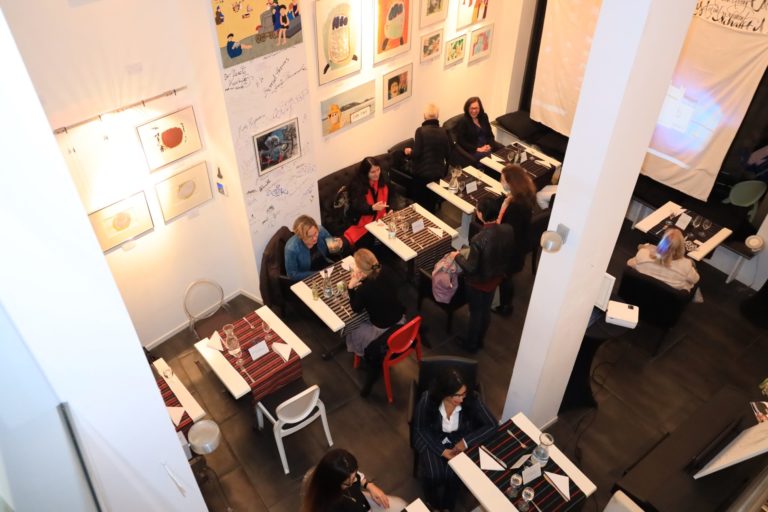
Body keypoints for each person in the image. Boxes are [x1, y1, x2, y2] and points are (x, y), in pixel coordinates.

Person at [413, 368, 496, 511]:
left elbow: (492, 424)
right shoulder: (428, 399)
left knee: (455, 473)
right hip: (433, 436)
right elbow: (420, 428)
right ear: (444, 393)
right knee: (434, 474)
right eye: (457, 395)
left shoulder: (472, 398)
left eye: (464, 394)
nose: (462, 399)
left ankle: (448, 506)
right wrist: (442, 450)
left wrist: (465, 442)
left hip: (459, 437)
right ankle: (432, 503)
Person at [453, 197, 515, 352]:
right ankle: (480, 339)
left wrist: (457, 256)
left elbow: (470, 268)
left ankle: (471, 344)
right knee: (485, 311)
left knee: (476, 313)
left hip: (478, 282)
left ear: (481, 214)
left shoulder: (478, 239)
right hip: (495, 278)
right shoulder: (508, 229)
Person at [346, 249, 405, 396]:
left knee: (351, 328)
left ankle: (360, 354)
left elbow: (356, 308)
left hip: (382, 331)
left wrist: (351, 287)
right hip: (400, 320)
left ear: (360, 269)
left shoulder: (364, 290)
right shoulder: (386, 270)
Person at [493, 164, 537, 316]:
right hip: (519, 245)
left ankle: (505, 307)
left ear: (511, 182)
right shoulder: (525, 197)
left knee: (505, 279)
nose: (501, 182)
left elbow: (508, 230)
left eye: (502, 179)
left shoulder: (516, 207)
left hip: (511, 251)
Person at [302, 448, 406, 512]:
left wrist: (369, 485)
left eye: (354, 476)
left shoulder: (346, 476)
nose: (353, 482)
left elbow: (357, 477)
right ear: (333, 483)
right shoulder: (329, 507)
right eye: (347, 483)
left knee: (401, 505)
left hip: (361, 503)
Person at [404, 104, 452, 213]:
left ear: (424, 116)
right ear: (437, 116)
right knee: (431, 201)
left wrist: (409, 152)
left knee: (421, 204)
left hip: (422, 174)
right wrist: (443, 172)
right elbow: (448, 154)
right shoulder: (443, 131)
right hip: (437, 173)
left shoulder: (420, 131)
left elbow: (416, 154)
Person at [627, 228, 700, 291]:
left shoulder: (643, 253)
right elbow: (695, 279)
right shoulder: (686, 265)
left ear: (662, 242)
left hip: (639, 292)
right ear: (681, 248)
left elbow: (629, 263)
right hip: (667, 300)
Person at [343, 157, 391, 250]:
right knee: (370, 245)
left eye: (378, 170)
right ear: (366, 173)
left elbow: (390, 197)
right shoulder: (357, 185)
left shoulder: (383, 178)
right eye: (373, 172)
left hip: (381, 217)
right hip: (362, 220)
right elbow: (357, 205)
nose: (377, 174)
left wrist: (389, 210)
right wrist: (372, 208)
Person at [285, 215, 337, 281]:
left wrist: (339, 246)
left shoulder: (321, 230)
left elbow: (335, 249)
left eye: (315, 233)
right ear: (300, 236)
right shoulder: (291, 249)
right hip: (308, 276)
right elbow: (292, 275)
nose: (315, 238)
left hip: (327, 267)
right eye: (310, 236)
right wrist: (318, 274)